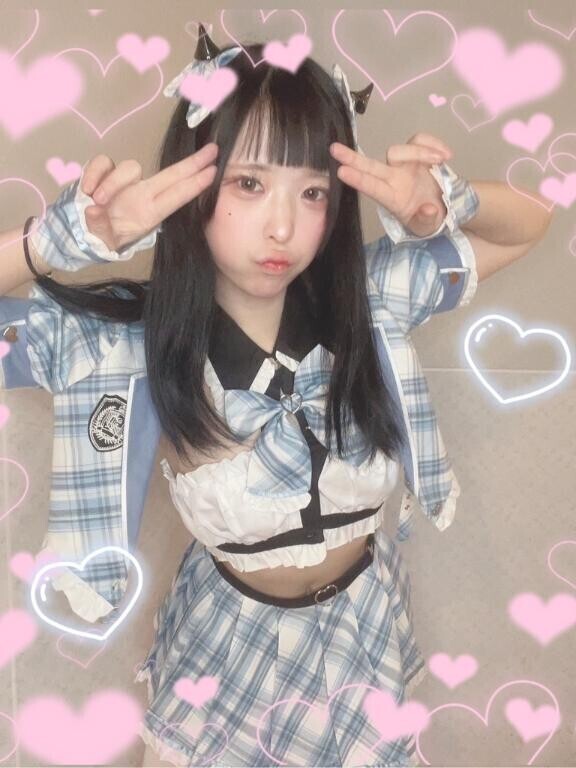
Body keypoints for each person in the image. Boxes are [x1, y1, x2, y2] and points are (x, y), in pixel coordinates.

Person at [0, 31, 553, 768]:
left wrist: (448, 205)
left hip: (363, 628)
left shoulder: (368, 301)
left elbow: (531, 225)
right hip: (227, 647)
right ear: (194, 183)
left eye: (313, 192)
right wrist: (50, 244)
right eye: (250, 185)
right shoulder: (131, 341)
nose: (284, 227)